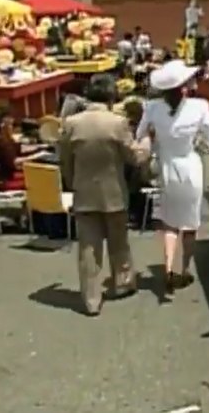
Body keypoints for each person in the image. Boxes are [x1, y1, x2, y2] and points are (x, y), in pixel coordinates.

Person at [136, 60, 209, 295]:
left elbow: (140, 135)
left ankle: (168, 268)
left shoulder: (152, 108)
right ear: (184, 87)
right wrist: (202, 146)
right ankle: (185, 268)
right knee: (189, 224)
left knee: (169, 222)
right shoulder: (199, 107)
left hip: (167, 167)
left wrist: (156, 144)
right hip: (190, 166)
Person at [59, 74, 148, 316]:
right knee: (119, 242)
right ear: (111, 96)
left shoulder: (71, 123)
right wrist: (147, 144)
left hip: (84, 192)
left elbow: (65, 160)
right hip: (114, 192)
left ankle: (91, 298)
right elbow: (135, 157)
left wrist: (71, 183)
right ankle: (123, 282)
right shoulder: (117, 123)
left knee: (88, 248)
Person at [0, 106, 38, 191]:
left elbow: (17, 148)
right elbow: (14, 163)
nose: (12, 126)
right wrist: (36, 157)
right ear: (2, 124)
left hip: (3, 177)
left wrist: (37, 148)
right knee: (40, 179)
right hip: (5, 181)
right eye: (10, 124)